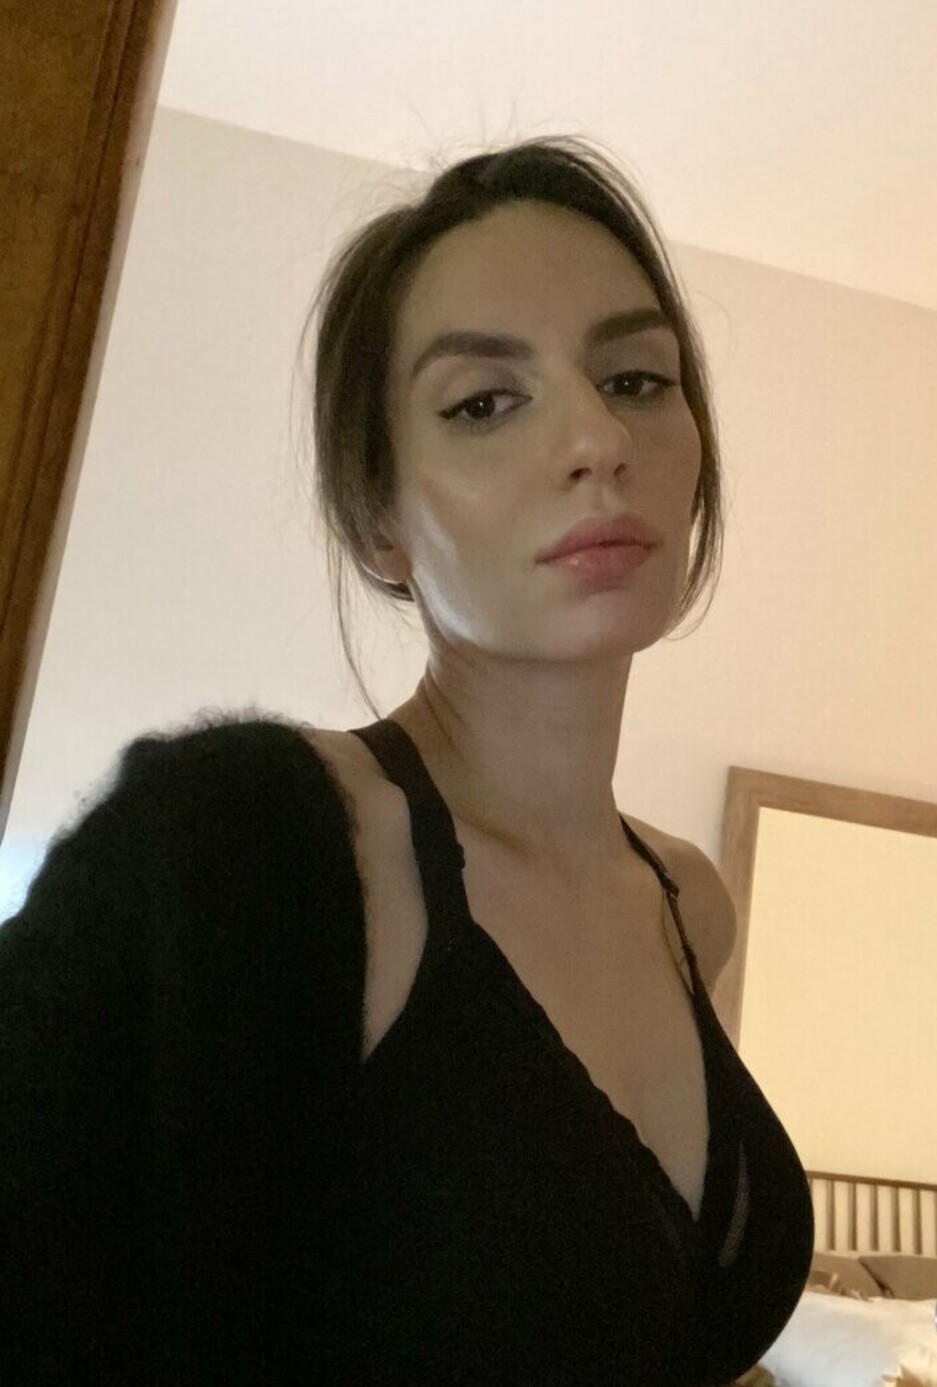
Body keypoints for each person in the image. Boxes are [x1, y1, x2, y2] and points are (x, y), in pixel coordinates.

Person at [0, 137, 813, 1385]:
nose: (599, 437)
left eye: (637, 379)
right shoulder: (243, 845)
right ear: (379, 516)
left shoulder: (687, 905)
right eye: (484, 403)